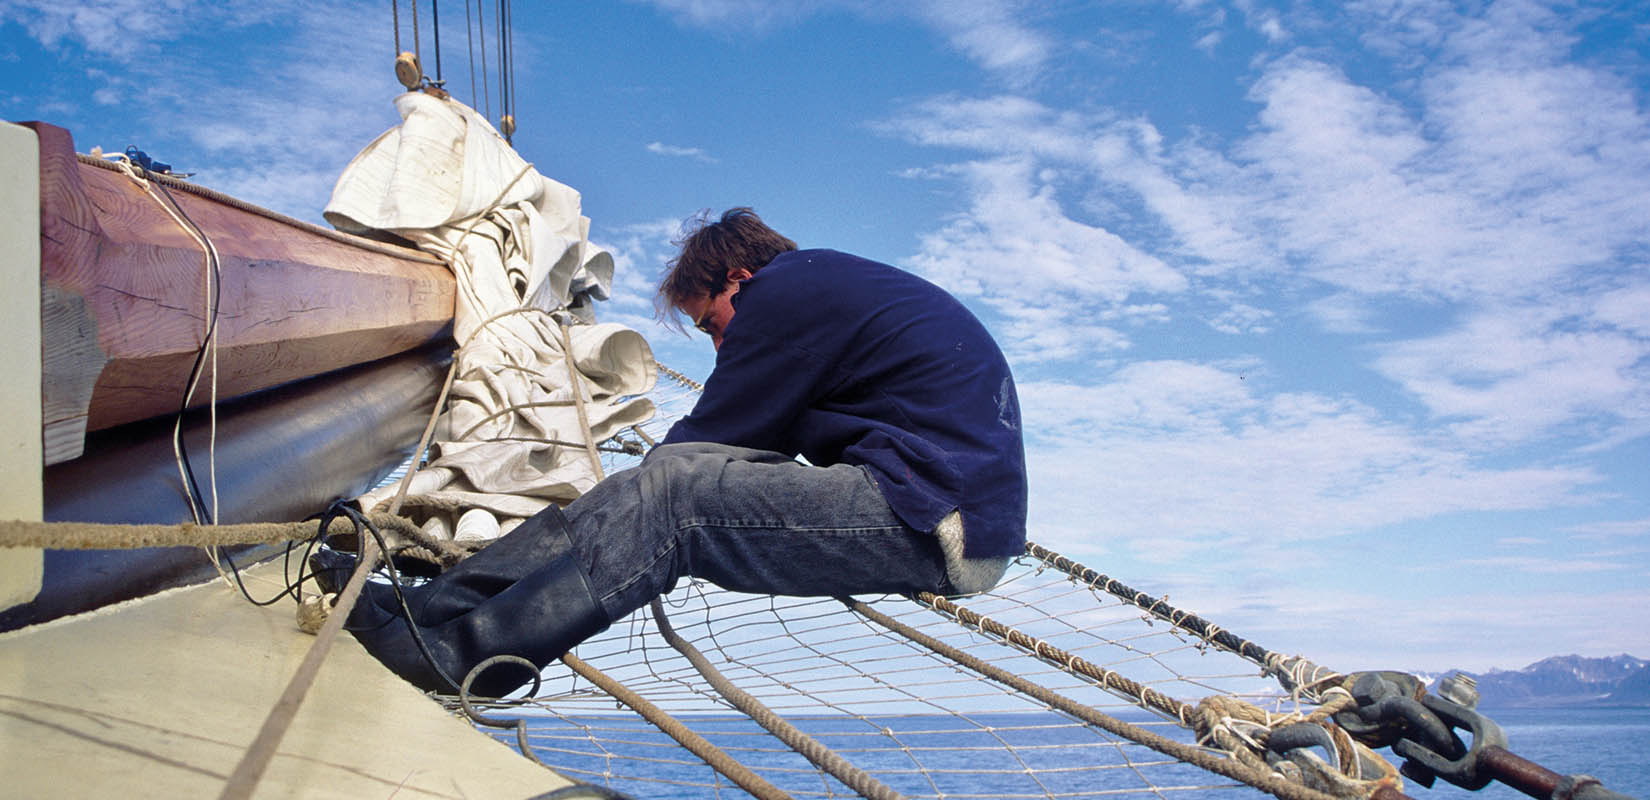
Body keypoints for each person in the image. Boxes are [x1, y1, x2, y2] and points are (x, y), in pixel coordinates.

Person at [314, 208, 1028, 697]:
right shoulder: (828, 291)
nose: (721, 344)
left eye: (712, 324)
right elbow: (719, 448)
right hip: (923, 500)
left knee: (669, 497)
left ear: (739, 279)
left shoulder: (788, 290)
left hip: (929, 514)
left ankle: (467, 658)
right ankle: (426, 611)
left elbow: (711, 441)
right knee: (666, 484)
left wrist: (626, 494)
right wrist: (627, 492)